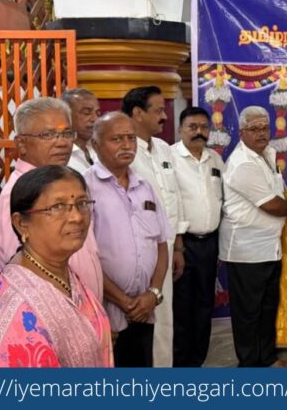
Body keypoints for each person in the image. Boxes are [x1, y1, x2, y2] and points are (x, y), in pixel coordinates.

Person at [0, 165, 112, 367]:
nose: (77, 217)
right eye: (57, 207)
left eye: (82, 203)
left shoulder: (59, 272)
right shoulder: (18, 312)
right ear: (21, 223)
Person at [220, 106, 287, 367]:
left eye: (264, 128)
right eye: (254, 129)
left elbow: (277, 191)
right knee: (248, 313)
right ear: (242, 133)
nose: (261, 134)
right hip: (246, 250)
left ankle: (267, 358)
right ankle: (249, 367)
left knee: (267, 307)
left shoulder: (267, 153)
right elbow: (270, 205)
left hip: (269, 246)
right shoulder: (242, 163)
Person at [0, 97, 103, 302]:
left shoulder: (67, 184)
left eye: (66, 133)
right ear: (21, 144)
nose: (61, 142)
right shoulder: (16, 197)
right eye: (48, 134)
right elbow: (27, 278)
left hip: (88, 317)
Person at [86, 112, 172, 367]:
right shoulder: (84, 187)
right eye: (116, 139)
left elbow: (161, 243)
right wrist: (125, 302)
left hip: (145, 309)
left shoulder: (145, 186)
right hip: (106, 310)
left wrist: (153, 294)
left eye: (131, 138)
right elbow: (84, 256)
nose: (126, 145)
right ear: (96, 144)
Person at [122, 86, 184, 367]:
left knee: (166, 315)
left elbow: (174, 196)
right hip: (137, 250)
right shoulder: (122, 151)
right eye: (158, 110)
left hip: (167, 246)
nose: (164, 116)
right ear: (137, 113)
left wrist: (178, 245)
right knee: (139, 317)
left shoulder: (162, 148)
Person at [171, 107, 225, 367]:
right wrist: (177, 246)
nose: (199, 132)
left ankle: (198, 362)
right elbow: (169, 203)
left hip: (210, 244)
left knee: (204, 306)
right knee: (181, 308)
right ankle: (181, 368)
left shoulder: (215, 159)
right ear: (181, 129)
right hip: (181, 245)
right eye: (192, 127)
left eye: (204, 127)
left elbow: (223, 200)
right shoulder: (168, 158)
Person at [62, 88, 101, 172]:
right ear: (67, 116)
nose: (95, 118)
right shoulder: (60, 154)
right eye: (87, 113)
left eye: (98, 113)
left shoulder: (100, 148)